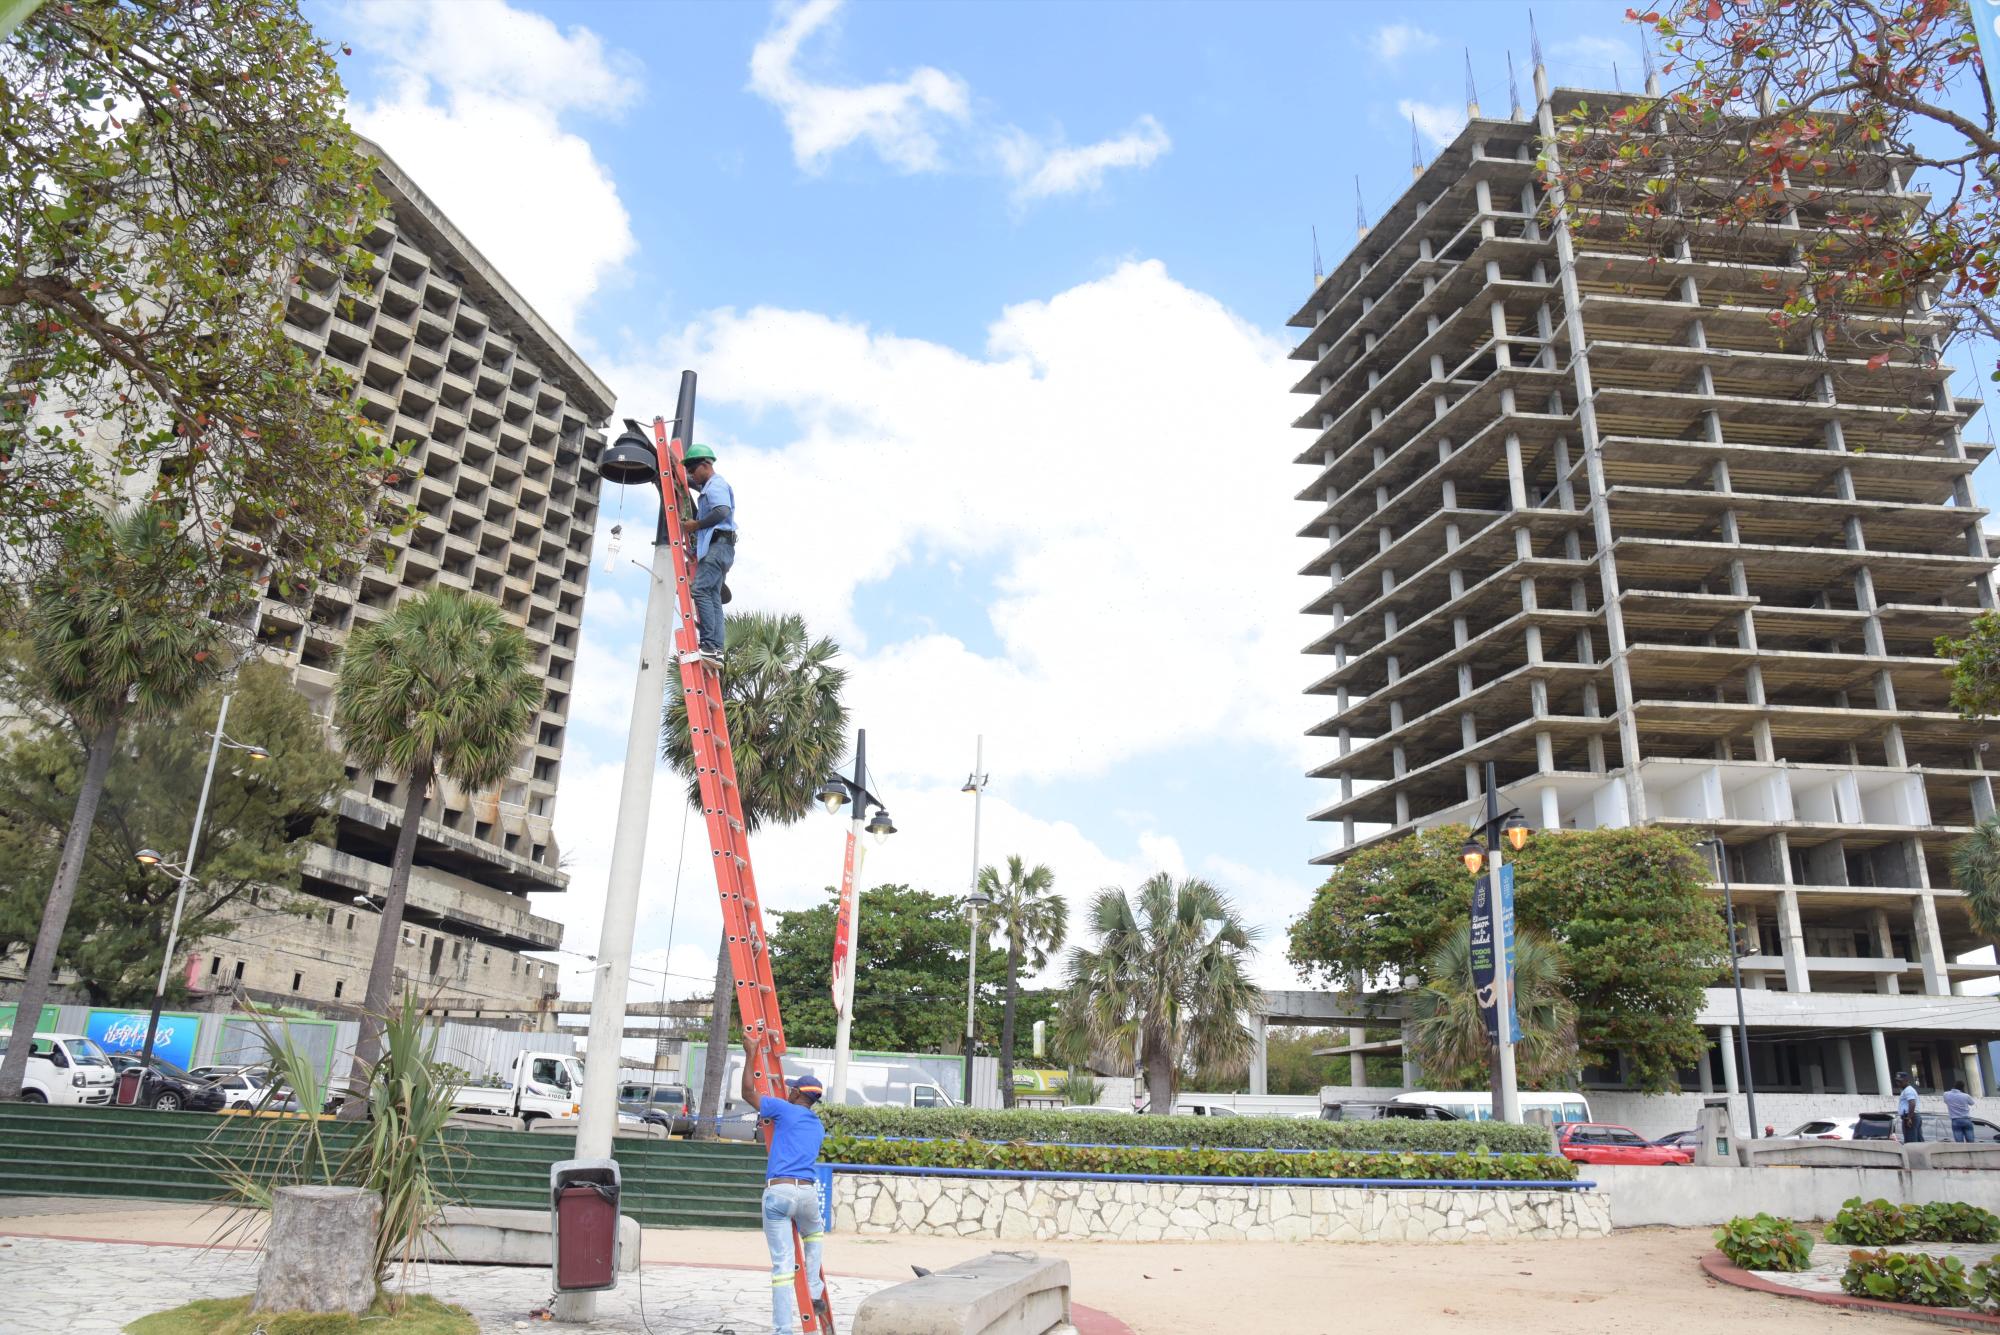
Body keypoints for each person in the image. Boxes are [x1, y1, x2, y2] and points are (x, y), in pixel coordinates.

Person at [741, 1032, 831, 1335]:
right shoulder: (817, 1125)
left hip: (779, 1191)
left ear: (795, 1094)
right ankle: (815, 1293)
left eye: (791, 1090)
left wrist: (751, 1053)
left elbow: (747, 1094)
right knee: (814, 1234)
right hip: (807, 1192)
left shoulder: (783, 1109)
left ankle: (783, 1331)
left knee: (782, 1267)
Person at [682, 443, 736, 664]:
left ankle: (710, 645)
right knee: (713, 596)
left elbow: (722, 510)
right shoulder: (709, 486)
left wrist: (696, 525)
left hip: (718, 547)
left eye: (693, 470)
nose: (691, 475)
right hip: (721, 548)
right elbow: (696, 485)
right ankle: (715, 650)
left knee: (701, 590)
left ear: (705, 465)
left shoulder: (715, 485)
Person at [1946, 1079, 1977, 1143]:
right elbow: (1972, 1103)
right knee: (1971, 1142)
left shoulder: (1946, 1094)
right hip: (1966, 1119)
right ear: (1962, 1087)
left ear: (1954, 1086)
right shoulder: (1965, 1096)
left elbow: (1945, 1101)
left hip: (1955, 1120)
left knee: (1959, 1143)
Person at [1897, 1070, 1923, 1143]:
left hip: (1910, 1117)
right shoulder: (1906, 1090)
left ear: (1906, 1080)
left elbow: (1912, 1103)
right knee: (1917, 1140)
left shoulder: (1908, 1090)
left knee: (1910, 1142)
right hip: (1912, 1116)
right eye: (1897, 1081)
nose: (1898, 1083)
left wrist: (1909, 1118)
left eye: (1900, 1081)